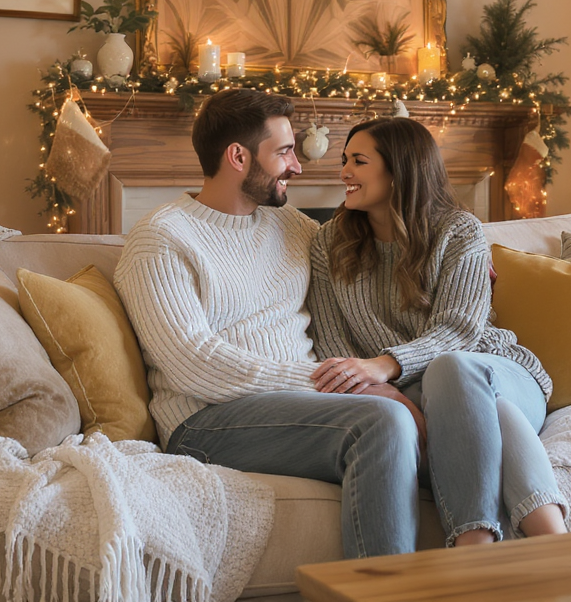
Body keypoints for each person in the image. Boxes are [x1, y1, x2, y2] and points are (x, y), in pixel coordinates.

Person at [114, 88, 423, 559]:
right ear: (238, 156)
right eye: (283, 152)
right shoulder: (161, 239)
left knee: (443, 400)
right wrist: (335, 383)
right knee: (380, 419)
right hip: (204, 421)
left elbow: (369, 264)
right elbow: (195, 365)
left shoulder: (294, 226)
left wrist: (444, 263)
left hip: (303, 403)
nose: (298, 166)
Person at [307, 116, 568, 546]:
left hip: (497, 371)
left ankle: (473, 545)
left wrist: (386, 365)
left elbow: (460, 330)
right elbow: (333, 340)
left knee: (453, 369)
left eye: (359, 160)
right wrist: (383, 389)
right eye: (344, 160)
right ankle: (556, 549)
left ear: (399, 170)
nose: (344, 172)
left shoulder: (458, 229)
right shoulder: (328, 242)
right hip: (423, 391)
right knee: (485, 410)